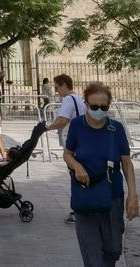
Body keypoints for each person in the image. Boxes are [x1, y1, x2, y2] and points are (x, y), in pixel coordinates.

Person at [64, 82, 139, 267]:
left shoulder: (116, 129)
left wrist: (133, 195)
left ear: (109, 105)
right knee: (93, 256)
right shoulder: (76, 126)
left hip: (112, 197)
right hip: (85, 196)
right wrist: (76, 166)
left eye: (103, 107)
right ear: (86, 104)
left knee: (113, 250)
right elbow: (67, 153)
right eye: (94, 106)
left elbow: (126, 163)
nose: (98, 110)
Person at [46, 73, 88, 223]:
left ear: (64, 85)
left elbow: (63, 120)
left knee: (75, 175)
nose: (56, 91)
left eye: (57, 88)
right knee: (80, 174)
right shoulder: (78, 99)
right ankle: (83, 208)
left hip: (73, 144)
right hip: (80, 142)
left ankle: (78, 211)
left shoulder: (68, 100)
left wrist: (47, 127)